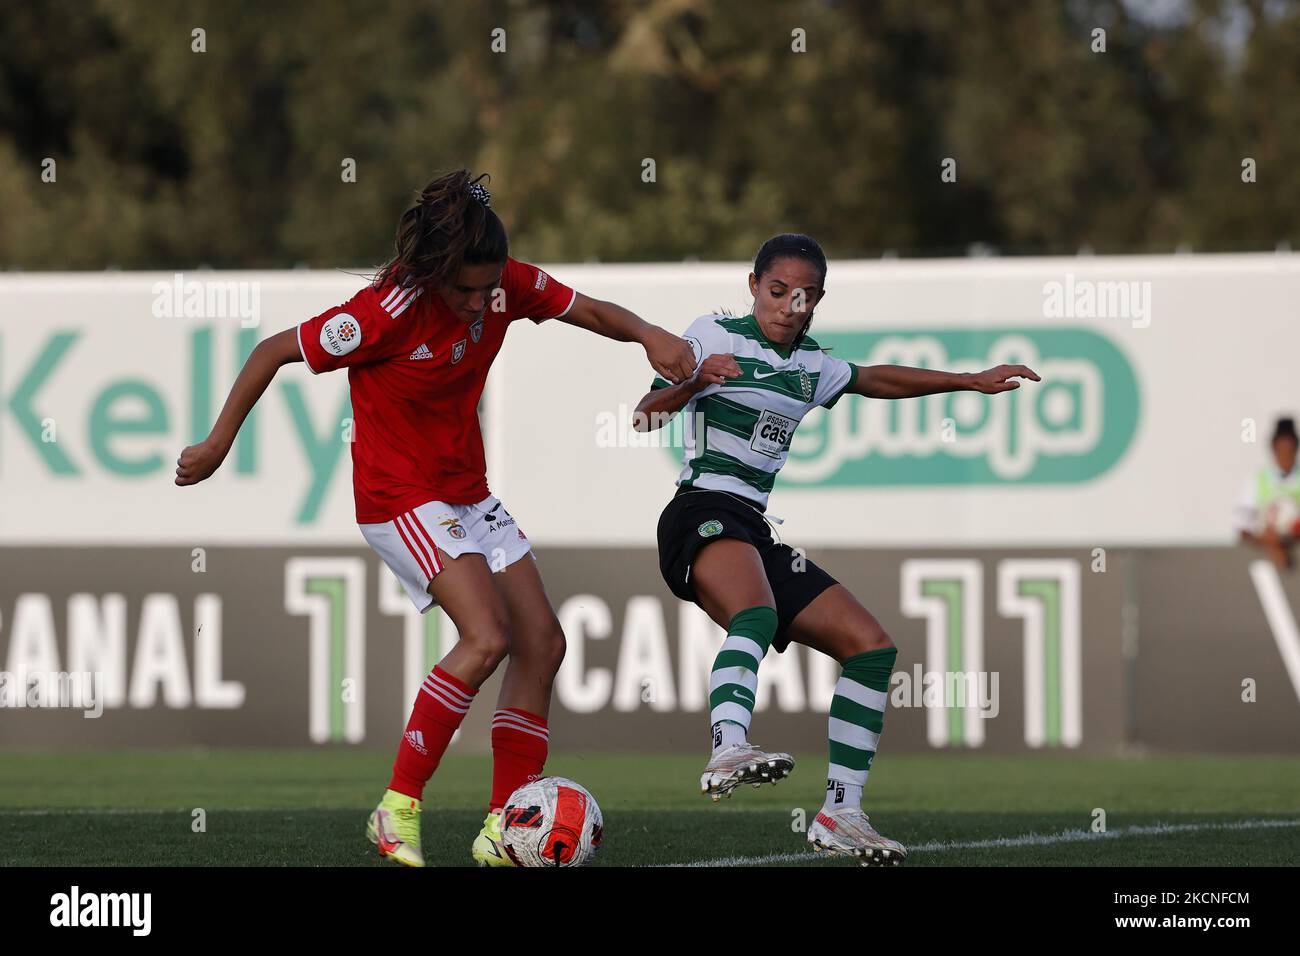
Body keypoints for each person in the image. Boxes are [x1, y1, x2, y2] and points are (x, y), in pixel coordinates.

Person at [176, 170, 695, 867]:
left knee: (542, 642)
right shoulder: (383, 312)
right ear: (435, 272)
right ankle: (396, 808)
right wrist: (215, 445)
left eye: (490, 289)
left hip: (466, 491)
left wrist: (648, 335)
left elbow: (587, 310)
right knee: (486, 636)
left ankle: (499, 828)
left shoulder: (503, 281)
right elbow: (272, 351)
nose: (482, 303)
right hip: (398, 494)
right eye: (467, 291)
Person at [632, 233, 1039, 865]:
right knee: (757, 613)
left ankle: (841, 813)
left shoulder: (813, 366)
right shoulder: (711, 335)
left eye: (807, 296)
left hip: (753, 528)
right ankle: (727, 744)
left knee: (871, 647)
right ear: (752, 285)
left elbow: (877, 378)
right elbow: (645, 414)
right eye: (778, 291)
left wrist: (970, 381)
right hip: (700, 512)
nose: (792, 306)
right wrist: (692, 383)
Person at [1236, 416, 1300, 569]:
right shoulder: (1257, 480)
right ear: (1274, 449)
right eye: (1281, 449)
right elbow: (1242, 527)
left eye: (1289, 449)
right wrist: (1266, 538)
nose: (1285, 455)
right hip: (1265, 553)